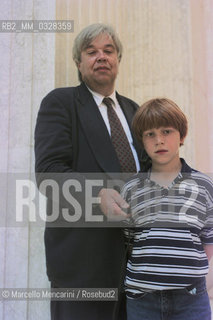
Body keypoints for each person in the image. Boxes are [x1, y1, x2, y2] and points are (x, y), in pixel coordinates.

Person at [34, 23, 142, 320]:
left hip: (137, 268)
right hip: (83, 265)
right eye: (91, 52)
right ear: (78, 63)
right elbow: (48, 173)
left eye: (108, 51)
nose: (101, 57)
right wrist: (97, 195)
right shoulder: (60, 103)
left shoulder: (135, 111)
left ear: (118, 59)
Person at [121, 98, 213, 320]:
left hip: (191, 299)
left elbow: (208, 242)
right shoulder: (131, 188)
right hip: (143, 301)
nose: (159, 140)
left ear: (181, 136)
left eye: (167, 131)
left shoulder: (204, 185)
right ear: (142, 141)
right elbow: (130, 241)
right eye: (150, 134)